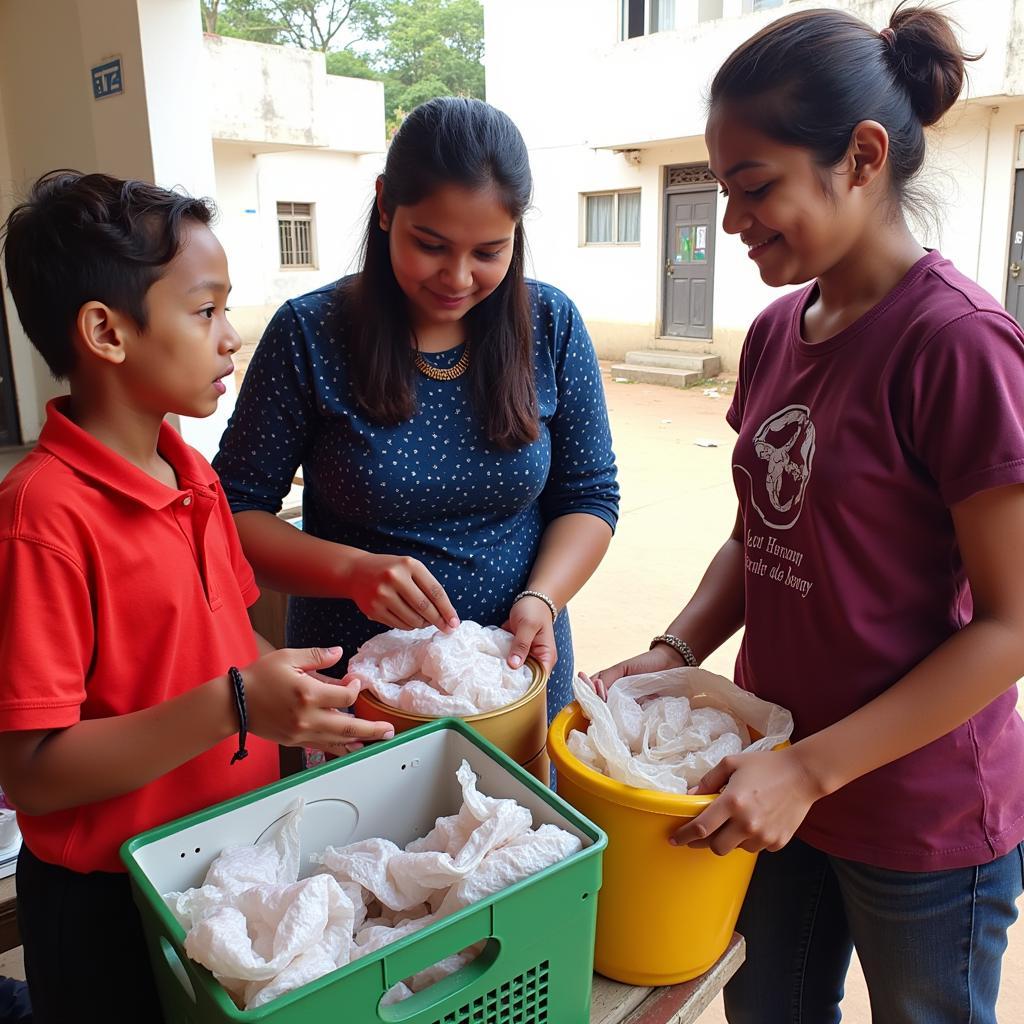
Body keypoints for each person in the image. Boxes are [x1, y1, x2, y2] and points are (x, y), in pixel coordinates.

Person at [595, 5, 1024, 1022]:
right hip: (761, 773)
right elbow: (761, 532)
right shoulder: (779, 330)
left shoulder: (957, 345)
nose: (731, 221)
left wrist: (811, 771)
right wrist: (677, 644)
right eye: (722, 189)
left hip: (918, 813)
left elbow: (1010, 627)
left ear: (862, 158)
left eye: (755, 187)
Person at [0, 171, 392, 1023]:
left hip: (222, 862)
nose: (231, 336)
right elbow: (29, 774)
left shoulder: (193, 476)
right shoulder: (42, 516)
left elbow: (230, 646)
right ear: (106, 332)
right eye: (205, 310)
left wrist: (303, 696)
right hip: (107, 899)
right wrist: (236, 705)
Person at [214, 97, 619, 723]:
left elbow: (589, 496)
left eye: (489, 251)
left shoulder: (550, 324)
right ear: (384, 205)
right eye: (431, 244)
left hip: (515, 671)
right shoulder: (311, 333)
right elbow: (232, 514)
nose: (457, 277)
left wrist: (544, 595)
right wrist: (353, 572)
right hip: (357, 686)